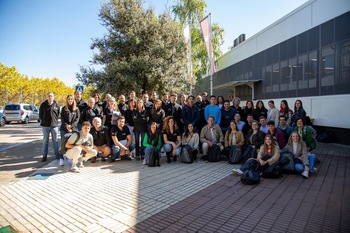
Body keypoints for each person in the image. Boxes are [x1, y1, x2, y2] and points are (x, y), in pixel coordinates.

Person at [39, 92, 60, 162]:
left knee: (55, 141)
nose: (50, 97)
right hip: (45, 126)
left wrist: (55, 121)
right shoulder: (43, 105)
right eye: (49, 96)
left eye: (51, 96)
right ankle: (44, 156)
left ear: (53, 97)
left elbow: (58, 115)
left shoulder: (56, 105)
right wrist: (44, 120)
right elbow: (40, 115)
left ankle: (57, 155)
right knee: (45, 141)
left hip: (54, 126)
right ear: (47, 97)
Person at [59, 94, 80, 165]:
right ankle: (61, 158)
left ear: (73, 100)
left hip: (73, 129)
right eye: (69, 99)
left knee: (71, 143)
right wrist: (66, 126)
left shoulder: (76, 109)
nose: (70, 100)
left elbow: (77, 119)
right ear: (67, 100)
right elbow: (62, 119)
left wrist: (71, 126)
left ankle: (70, 158)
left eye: (71, 99)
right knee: (63, 143)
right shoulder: (64, 108)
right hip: (64, 129)